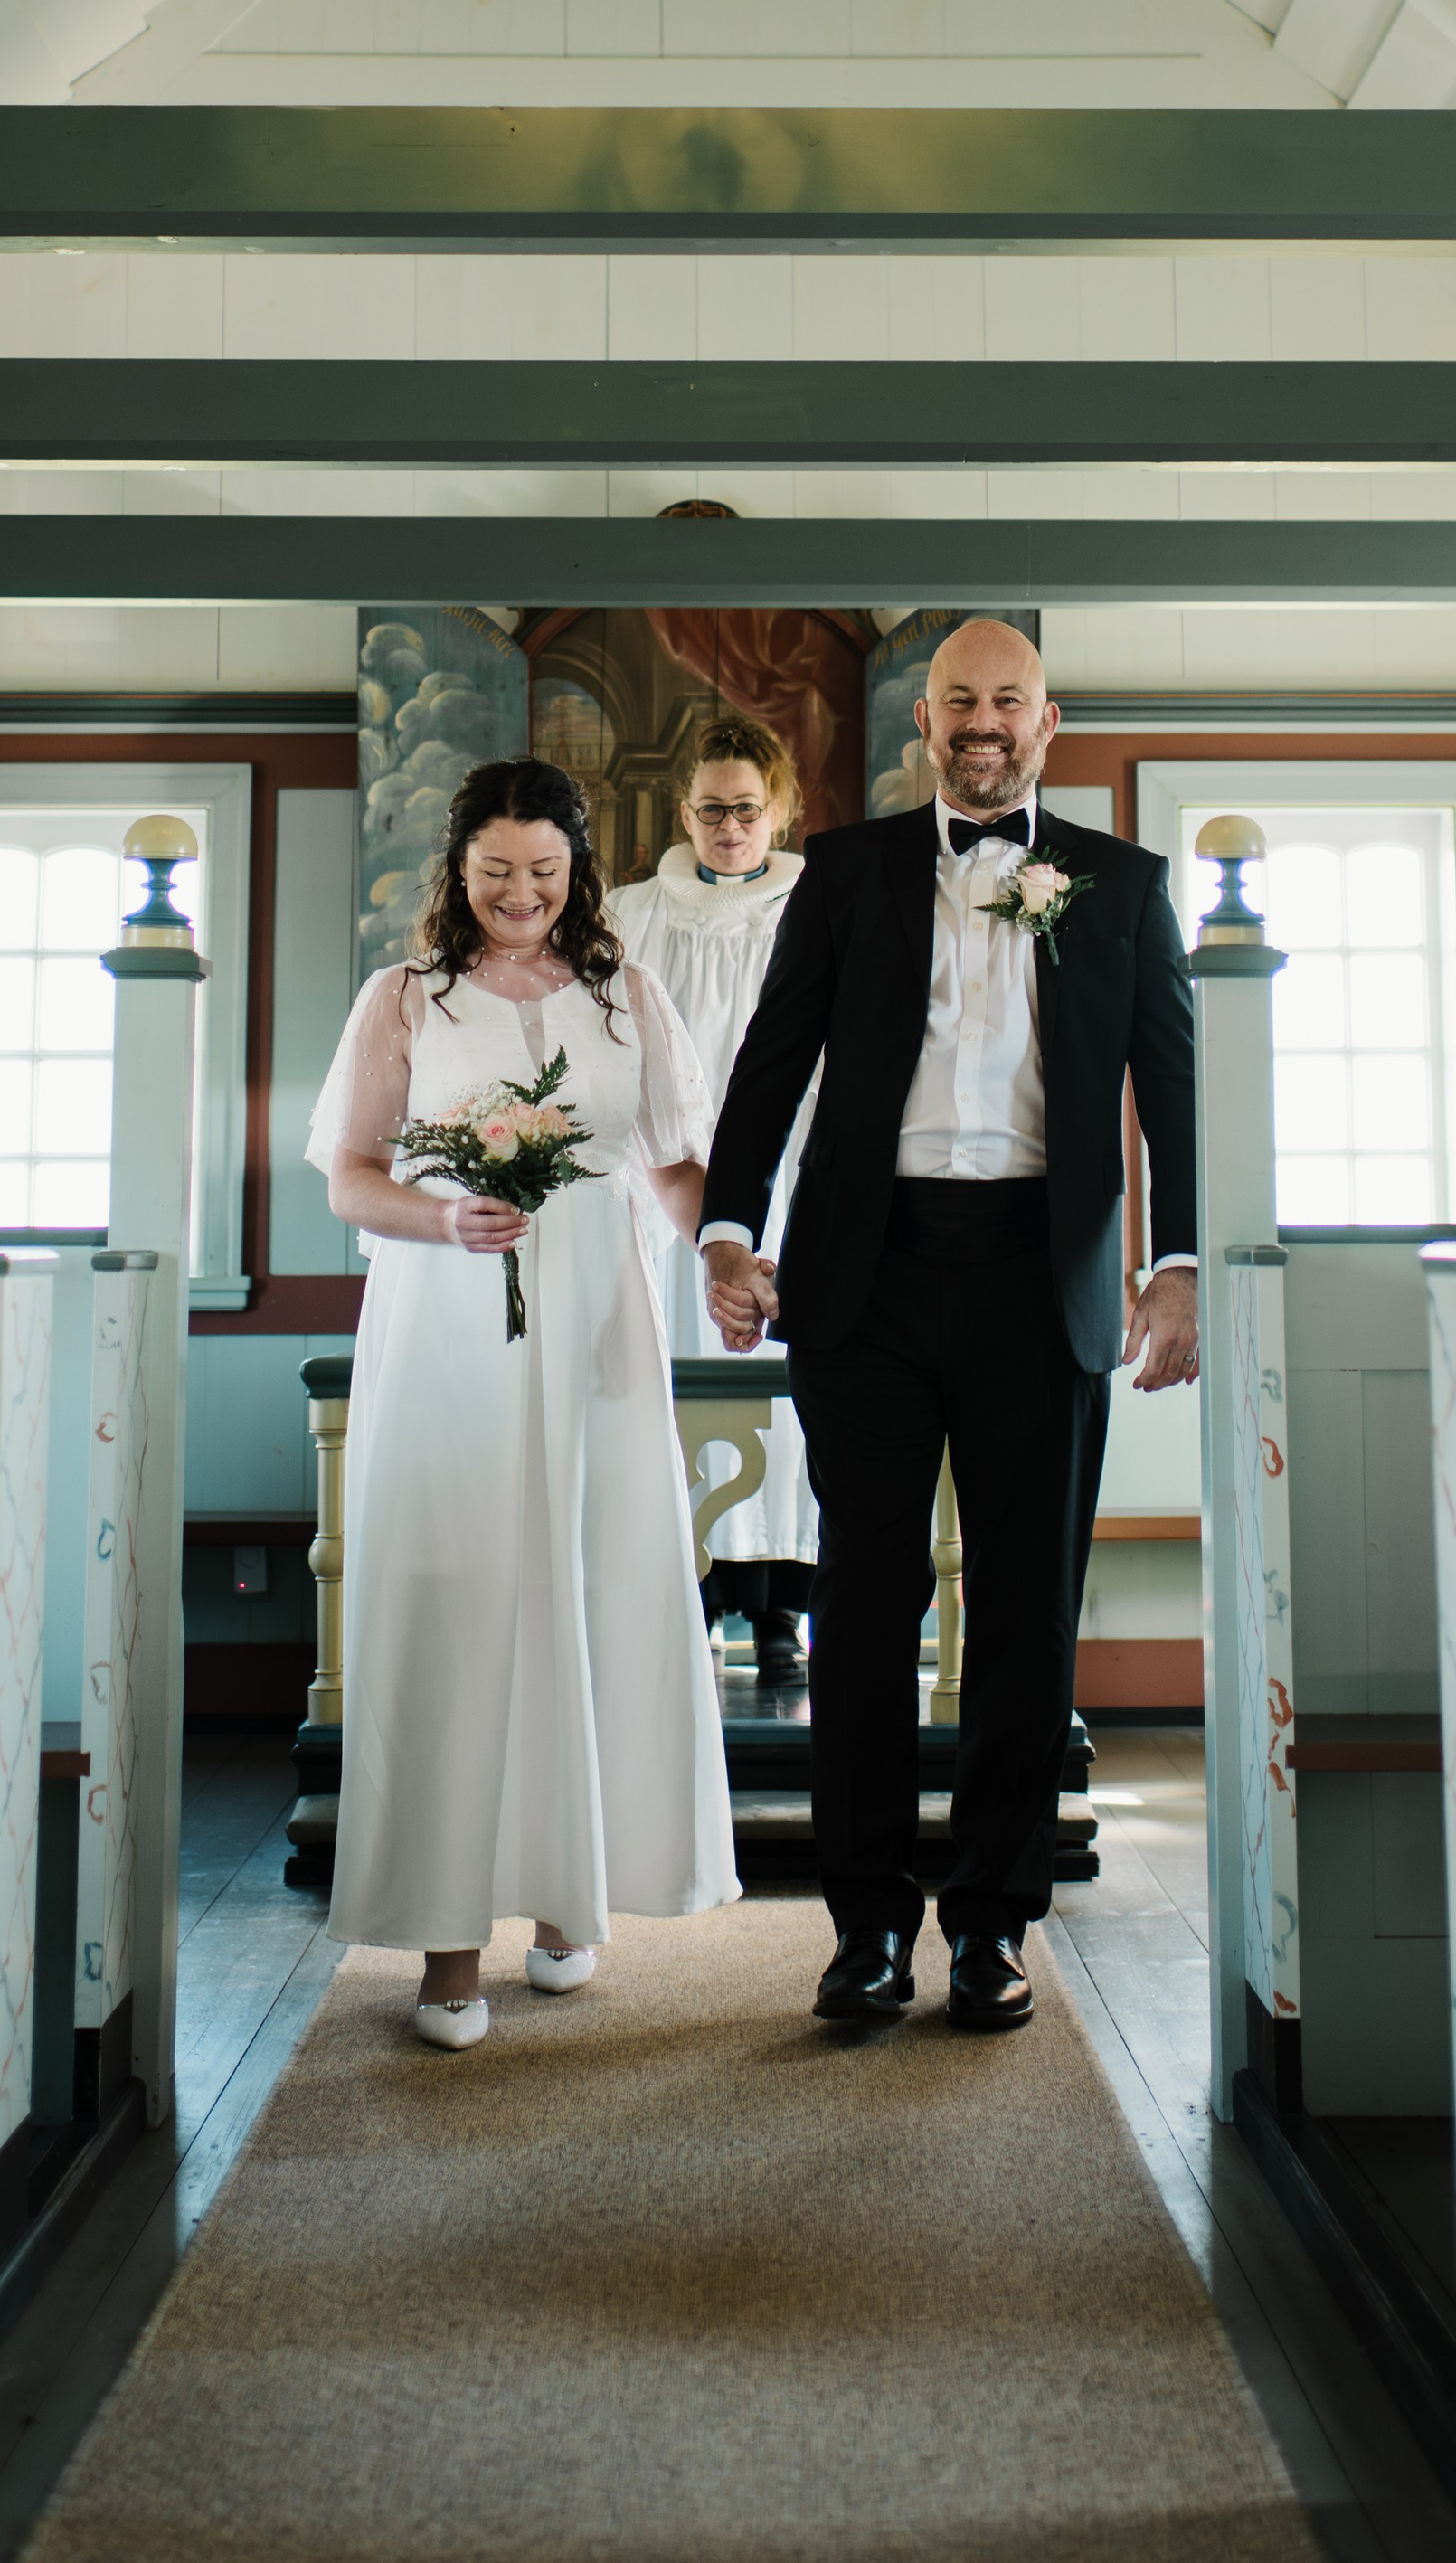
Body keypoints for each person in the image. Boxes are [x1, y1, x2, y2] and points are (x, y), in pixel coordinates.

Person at [698, 620, 1199, 2035]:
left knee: (1028, 1613)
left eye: (1009, 701)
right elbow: (771, 1061)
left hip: (1045, 1281)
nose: (985, 722)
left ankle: (992, 1924)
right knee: (865, 1607)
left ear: (1048, 720)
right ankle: (865, 1925)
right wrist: (728, 1228)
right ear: (925, 721)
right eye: (960, 700)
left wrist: (1177, 1263)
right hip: (866, 1278)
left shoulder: (1123, 884)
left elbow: (1174, 1084)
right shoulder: (846, 871)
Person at [307, 755, 739, 2051]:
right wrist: (444, 1218)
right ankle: (447, 1946)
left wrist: (725, 1254)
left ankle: (567, 1900)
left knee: (590, 1586)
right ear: (457, 870)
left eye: (544, 872)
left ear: (576, 870)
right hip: (448, 1320)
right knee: (456, 1600)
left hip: (599, 1319)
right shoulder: (404, 1000)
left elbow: (671, 1168)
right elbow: (349, 1177)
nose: (520, 893)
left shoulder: (625, 995)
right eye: (496, 871)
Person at [605, 714, 818, 1686]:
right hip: (670, 1186)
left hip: (791, 1171)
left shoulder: (818, 904)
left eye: (746, 809)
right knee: (672, 1374)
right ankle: (688, 1593)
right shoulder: (632, 915)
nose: (729, 828)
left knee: (786, 1396)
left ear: (779, 809)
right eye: (710, 811)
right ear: (683, 812)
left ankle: (780, 1608)